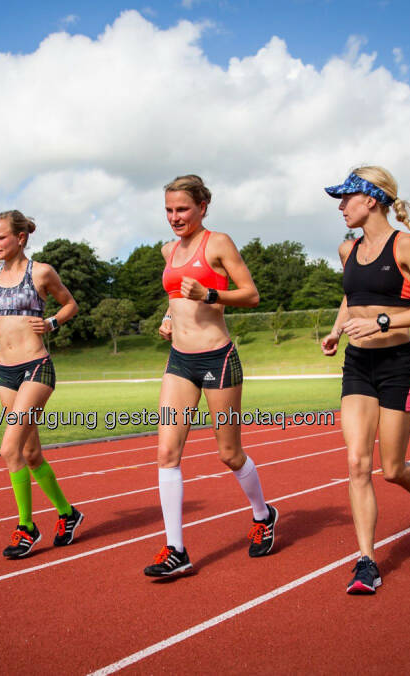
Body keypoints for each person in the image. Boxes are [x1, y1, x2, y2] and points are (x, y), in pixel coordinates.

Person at [320, 166, 410, 594]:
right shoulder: (347, 250)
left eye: (346, 199)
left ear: (370, 199)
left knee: (391, 468)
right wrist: (338, 330)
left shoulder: (405, 245)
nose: (341, 207)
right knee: (358, 463)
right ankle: (366, 562)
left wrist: (382, 321)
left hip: (398, 366)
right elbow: (349, 297)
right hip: (358, 367)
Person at [143, 174, 278, 578]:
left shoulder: (217, 243)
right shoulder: (168, 250)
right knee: (167, 452)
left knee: (228, 453)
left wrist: (210, 295)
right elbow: (175, 297)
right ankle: (176, 549)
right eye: (168, 209)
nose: (174, 217)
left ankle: (263, 514)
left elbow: (251, 295)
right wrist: (169, 318)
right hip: (179, 362)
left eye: (182, 209)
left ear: (202, 207)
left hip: (218, 359)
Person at [0, 210, 83, 559]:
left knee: (9, 449)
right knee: (30, 453)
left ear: (20, 238)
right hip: (5, 373)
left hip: (36, 367)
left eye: (0, 237)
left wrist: (54, 323)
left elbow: (70, 303)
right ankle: (68, 514)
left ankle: (26, 527)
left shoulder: (40, 272)